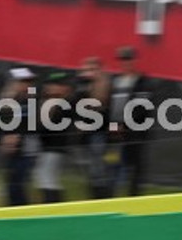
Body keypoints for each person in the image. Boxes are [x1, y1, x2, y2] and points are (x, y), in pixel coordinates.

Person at [108, 45, 155, 196]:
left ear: (135, 60)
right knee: (113, 165)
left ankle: (133, 198)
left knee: (134, 168)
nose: (125, 63)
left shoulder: (143, 82)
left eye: (128, 59)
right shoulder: (116, 81)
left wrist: (124, 125)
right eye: (122, 59)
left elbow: (141, 108)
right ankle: (113, 198)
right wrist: (114, 125)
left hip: (136, 133)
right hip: (116, 133)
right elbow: (111, 107)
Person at [74, 56, 113, 198]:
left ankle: (102, 196)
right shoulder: (82, 85)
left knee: (99, 167)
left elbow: (99, 104)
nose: (88, 73)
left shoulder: (105, 83)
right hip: (85, 134)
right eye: (86, 70)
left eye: (92, 69)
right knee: (89, 168)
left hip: (99, 132)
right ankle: (94, 195)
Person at [36, 71, 75, 203]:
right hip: (48, 147)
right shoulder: (49, 103)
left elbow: (48, 125)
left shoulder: (67, 103)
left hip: (56, 147)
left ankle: (53, 204)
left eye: (57, 85)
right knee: (46, 177)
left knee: (47, 177)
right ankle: (53, 203)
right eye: (51, 84)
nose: (52, 88)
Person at [0, 67, 37, 206]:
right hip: (13, 149)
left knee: (19, 182)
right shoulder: (7, 101)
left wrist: (14, 136)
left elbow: (28, 123)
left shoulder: (29, 100)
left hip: (27, 148)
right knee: (13, 182)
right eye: (23, 81)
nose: (27, 85)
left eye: (28, 81)